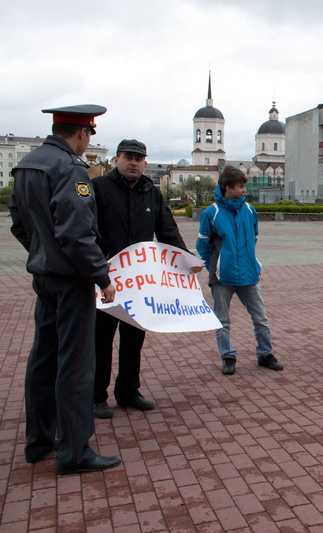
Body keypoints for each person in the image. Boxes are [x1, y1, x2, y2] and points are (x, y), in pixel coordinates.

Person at [9, 104, 121, 474]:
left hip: (44, 276)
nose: (87, 144)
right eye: (89, 136)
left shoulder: (27, 164)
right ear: (82, 133)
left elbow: (19, 224)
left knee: (43, 358)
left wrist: (43, 254)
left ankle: (39, 441)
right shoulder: (70, 168)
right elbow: (77, 232)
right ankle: (74, 452)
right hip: (72, 281)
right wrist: (102, 277)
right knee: (75, 364)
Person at [93, 139, 200, 418]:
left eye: (140, 159)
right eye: (129, 157)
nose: (134, 163)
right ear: (117, 159)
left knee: (133, 339)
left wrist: (187, 260)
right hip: (106, 282)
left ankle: (128, 391)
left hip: (138, 285)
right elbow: (87, 232)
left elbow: (168, 231)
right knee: (100, 340)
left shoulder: (151, 192)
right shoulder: (99, 189)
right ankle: (95, 396)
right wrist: (100, 266)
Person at [197, 166, 284, 375]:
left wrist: (251, 263)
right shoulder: (211, 213)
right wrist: (215, 268)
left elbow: (253, 238)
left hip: (248, 275)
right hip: (223, 278)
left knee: (261, 318)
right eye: (240, 187)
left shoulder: (250, 210)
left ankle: (265, 354)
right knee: (222, 320)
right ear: (228, 188)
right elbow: (203, 245)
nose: (244, 190)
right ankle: (228, 356)